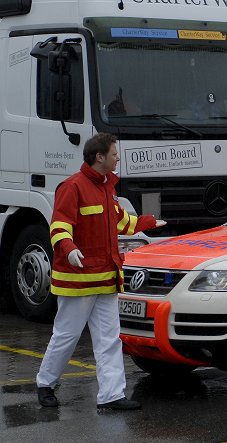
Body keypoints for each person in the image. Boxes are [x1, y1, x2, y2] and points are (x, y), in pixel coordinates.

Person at [36, 133, 166, 410]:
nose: (118, 157)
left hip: (107, 278)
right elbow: (59, 226)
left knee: (109, 339)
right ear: (99, 157)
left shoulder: (107, 188)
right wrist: (70, 249)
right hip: (79, 281)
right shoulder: (72, 187)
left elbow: (122, 222)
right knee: (66, 336)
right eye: (114, 153)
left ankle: (112, 396)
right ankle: (45, 383)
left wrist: (149, 222)